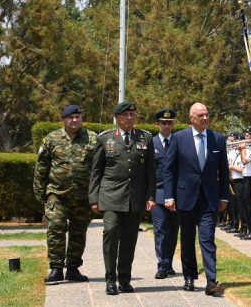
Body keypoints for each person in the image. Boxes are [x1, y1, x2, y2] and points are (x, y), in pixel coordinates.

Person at [89, 102, 156, 295]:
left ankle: (124, 280)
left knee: (129, 240)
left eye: (133, 114)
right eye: (125, 115)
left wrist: (151, 196)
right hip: (110, 196)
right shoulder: (105, 139)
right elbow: (96, 171)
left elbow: (151, 172)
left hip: (134, 198)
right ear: (117, 117)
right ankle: (110, 279)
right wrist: (94, 198)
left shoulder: (145, 138)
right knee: (110, 233)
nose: (129, 118)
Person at [164, 102, 230, 296]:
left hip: (209, 198)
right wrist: (169, 196)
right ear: (191, 118)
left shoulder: (218, 139)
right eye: (200, 115)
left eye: (207, 114)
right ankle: (189, 277)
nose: (204, 118)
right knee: (186, 239)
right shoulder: (178, 138)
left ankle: (211, 280)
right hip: (185, 197)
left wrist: (224, 197)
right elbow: (169, 170)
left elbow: (224, 172)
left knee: (207, 239)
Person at [34, 104, 98, 284]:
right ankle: (55, 268)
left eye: (78, 116)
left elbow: (99, 168)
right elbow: (41, 168)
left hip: (83, 196)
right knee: (56, 228)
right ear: (63, 120)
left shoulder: (92, 139)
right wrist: (40, 193)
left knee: (79, 232)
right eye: (71, 117)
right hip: (57, 195)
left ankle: (73, 269)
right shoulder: (51, 139)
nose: (75, 120)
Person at [152, 108, 180, 279]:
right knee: (160, 231)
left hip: (176, 195)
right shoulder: (151, 143)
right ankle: (162, 265)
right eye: (163, 123)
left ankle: (168, 263)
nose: (167, 126)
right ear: (157, 124)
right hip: (158, 193)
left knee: (172, 231)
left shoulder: (178, 142)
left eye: (169, 123)